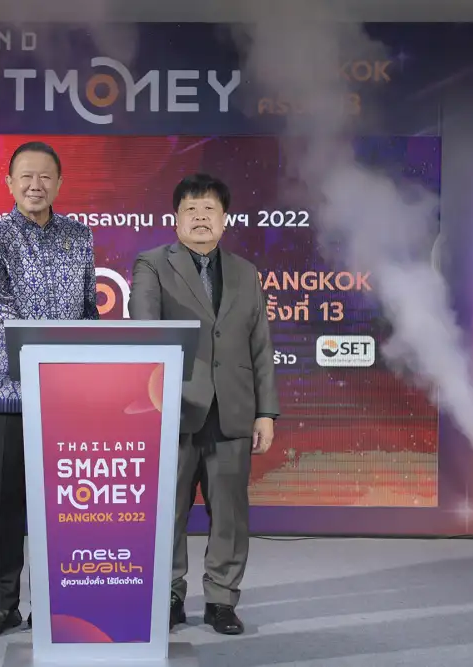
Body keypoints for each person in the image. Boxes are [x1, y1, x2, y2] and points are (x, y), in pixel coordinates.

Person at [128, 173, 279, 635]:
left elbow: (260, 346)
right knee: (167, 511)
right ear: (175, 218)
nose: (199, 217)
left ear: (224, 218)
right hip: (173, 408)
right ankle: (168, 596)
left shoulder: (245, 272)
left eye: (209, 209)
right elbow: (144, 329)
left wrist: (266, 412)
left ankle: (221, 600)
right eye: (190, 209)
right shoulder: (153, 264)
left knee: (229, 514)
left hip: (233, 410)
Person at [0, 141, 100, 637]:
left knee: (64, 504)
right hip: (8, 390)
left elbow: (88, 311)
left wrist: (93, 368)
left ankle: (56, 601)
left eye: (45, 176)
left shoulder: (80, 237)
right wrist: (46, 358)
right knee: (5, 504)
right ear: (9, 183)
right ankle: (2, 605)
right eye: (25, 176)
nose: (35, 185)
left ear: (59, 183)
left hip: (67, 392)